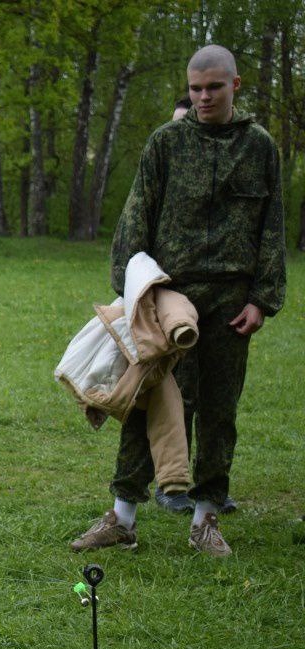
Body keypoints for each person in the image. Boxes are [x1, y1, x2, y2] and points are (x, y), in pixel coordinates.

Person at [70, 45, 285, 558]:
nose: (204, 96)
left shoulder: (259, 148)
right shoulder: (166, 143)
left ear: (235, 85)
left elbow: (272, 226)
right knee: (148, 400)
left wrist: (262, 299)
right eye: (195, 88)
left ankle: (206, 516)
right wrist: (132, 289)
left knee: (218, 409)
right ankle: (123, 516)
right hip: (171, 296)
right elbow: (135, 216)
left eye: (214, 87)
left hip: (231, 302)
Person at [155, 93, 238, 516]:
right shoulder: (163, 157)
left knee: (216, 400)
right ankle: (171, 484)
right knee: (177, 394)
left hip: (221, 300)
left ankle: (212, 487)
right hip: (173, 297)